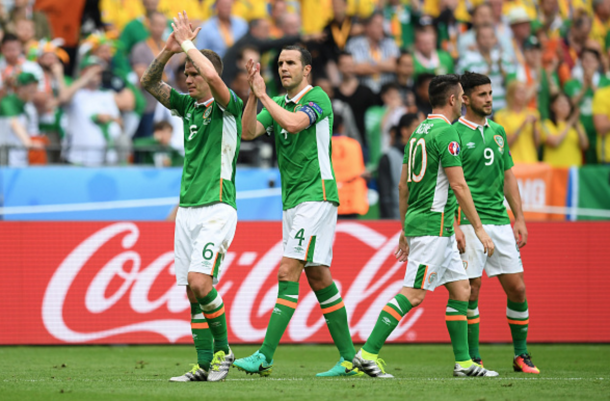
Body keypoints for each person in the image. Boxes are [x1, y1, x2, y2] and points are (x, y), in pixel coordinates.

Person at [353, 74, 498, 379]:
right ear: (453, 99)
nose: (463, 102)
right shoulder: (446, 133)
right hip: (433, 225)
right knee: (414, 294)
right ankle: (367, 353)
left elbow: (402, 185)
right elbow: (458, 184)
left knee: (461, 290)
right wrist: (479, 228)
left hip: (431, 226)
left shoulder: (418, 131)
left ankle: (463, 363)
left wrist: (405, 228)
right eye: (461, 97)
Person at [234, 45, 361, 378]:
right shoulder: (278, 102)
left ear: (306, 70)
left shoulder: (317, 97)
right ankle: (349, 359)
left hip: (316, 195)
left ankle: (265, 355)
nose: (283, 68)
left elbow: (292, 125)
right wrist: (252, 95)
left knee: (287, 271)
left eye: (290, 63)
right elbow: (247, 132)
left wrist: (265, 98)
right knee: (318, 277)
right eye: (279, 64)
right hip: (293, 201)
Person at [140, 11, 242, 382]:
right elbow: (148, 81)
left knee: (202, 283)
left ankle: (224, 351)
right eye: (187, 73)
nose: (188, 78)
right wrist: (169, 51)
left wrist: (188, 44)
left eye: (193, 72)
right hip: (187, 210)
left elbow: (214, 76)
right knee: (190, 292)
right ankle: (203, 365)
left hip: (217, 207)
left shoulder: (228, 106)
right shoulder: (186, 108)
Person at [454, 71, 540, 375]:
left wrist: (520, 219)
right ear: (465, 99)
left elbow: (508, 176)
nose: (488, 99)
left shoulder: (499, 132)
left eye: (490, 93)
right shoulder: (455, 134)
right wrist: (454, 224)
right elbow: (450, 183)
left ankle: (521, 355)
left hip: (500, 222)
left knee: (517, 289)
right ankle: (473, 358)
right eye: (482, 94)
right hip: (468, 222)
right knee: (471, 290)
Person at [60, 55, 123, 166]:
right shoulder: (76, 94)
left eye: (98, 72)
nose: (95, 75)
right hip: (77, 157)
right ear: (83, 73)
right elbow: (64, 98)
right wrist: (85, 79)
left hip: (102, 158)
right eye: (91, 71)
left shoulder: (106, 95)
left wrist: (107, 118)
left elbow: (120, 123)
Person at [564, 48, 609, 164]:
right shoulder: (571, 84)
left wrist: (592, 85)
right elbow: (566, 106)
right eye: (585, 60)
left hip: (598, 134)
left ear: (598, 63)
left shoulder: (606, 82)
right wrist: (584, 88)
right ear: (580, 62)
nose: (588, 64)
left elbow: (604, 99)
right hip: (578, 132)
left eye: (592, 61)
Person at [456, 24, 514, 112]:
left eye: (490, 37)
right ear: (477, 40)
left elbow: (511, 82)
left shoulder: (503, 57)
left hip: (501, 109)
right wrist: (488, 68)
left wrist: (501, 67)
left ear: (495, 39)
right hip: (477, 110)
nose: (487, 40)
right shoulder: (467, 59)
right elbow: (460, 84)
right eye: (483, 37)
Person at [378, 112, 421, 219]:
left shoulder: (422, 155)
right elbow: (385, 195)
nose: (421, 130)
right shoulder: (388, 158)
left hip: (419, 220)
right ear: (404, 131)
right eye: (416, 126)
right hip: (396, 219)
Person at [345, 11, 400, 93]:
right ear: (367, 27)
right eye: (378, 26)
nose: (381, 29)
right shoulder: (354, 44)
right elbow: (355, 68)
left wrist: (368, 65)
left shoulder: (389, 43)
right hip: (363, 91)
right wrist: (384, 66)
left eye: (382, 26)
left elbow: (394, 65)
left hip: (387, 91)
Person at [493, 80, 540, 164]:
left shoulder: (533, 113)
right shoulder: (500, 115)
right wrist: (522, 125)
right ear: (511, 94)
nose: (523, 94)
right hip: (512, 163)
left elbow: (537, 144)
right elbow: (505, 144)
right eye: (520, 91)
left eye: (525, 91)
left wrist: (534, 126)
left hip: (531, 162)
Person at [0, 72, 42, 166]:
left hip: (20, 159)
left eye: (35, 90)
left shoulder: (26, 107)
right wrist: (29, 143)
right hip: (6, 160)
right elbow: (15, 123)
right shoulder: (7, 102)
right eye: (31, 91)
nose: (34, 94)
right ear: (21, 89)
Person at [541, 93, 588, 168]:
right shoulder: (547, 124)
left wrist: (576, 125)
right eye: (561, 103)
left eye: (567, 104)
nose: (564, 106)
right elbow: (555, 142)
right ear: (553, 106)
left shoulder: (576, 125)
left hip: (572, 171)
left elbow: (584, 145)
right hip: (555, 170)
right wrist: (570, 123)